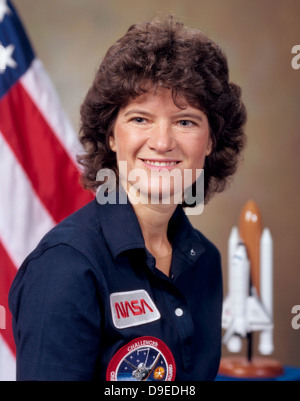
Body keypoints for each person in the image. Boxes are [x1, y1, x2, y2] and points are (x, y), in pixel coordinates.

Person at [9, 15, 246, 381]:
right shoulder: (65, 268)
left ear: (211, 141)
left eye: (185, 121)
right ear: (111, 136)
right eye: (140, 119)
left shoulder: (205, 263)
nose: (163, 142)